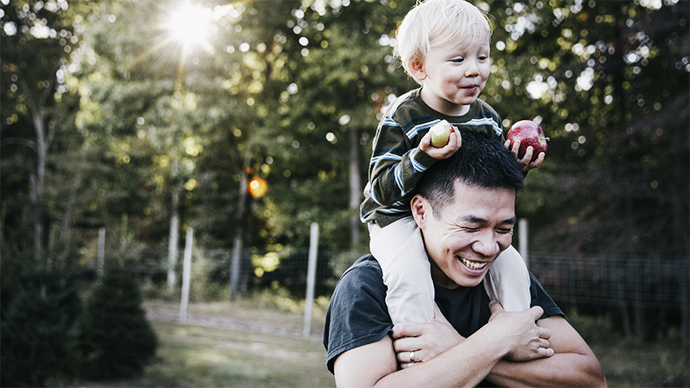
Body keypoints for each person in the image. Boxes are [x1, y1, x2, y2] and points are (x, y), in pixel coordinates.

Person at [325, 131, 607, 387]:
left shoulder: (506, 279)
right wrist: (496, 341)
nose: (488, 248)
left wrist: (461, 347)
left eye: (503, 229)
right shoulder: (365, 287)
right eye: (471, 227)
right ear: (421, 212)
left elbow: (591, 380)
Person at [360, 0, 545, 326]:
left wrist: (518, 168)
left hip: (462, 224)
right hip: (398, 217)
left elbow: (487, 191)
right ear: (420, 67)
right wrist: (421, 156)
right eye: (458, 59)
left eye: (482, 57)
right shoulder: (403, 116)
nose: (474, 69)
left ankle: (515, 336)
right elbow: (379, 191)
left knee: (514, 269)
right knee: (409, 273)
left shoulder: (487, 119)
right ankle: (418, 349)